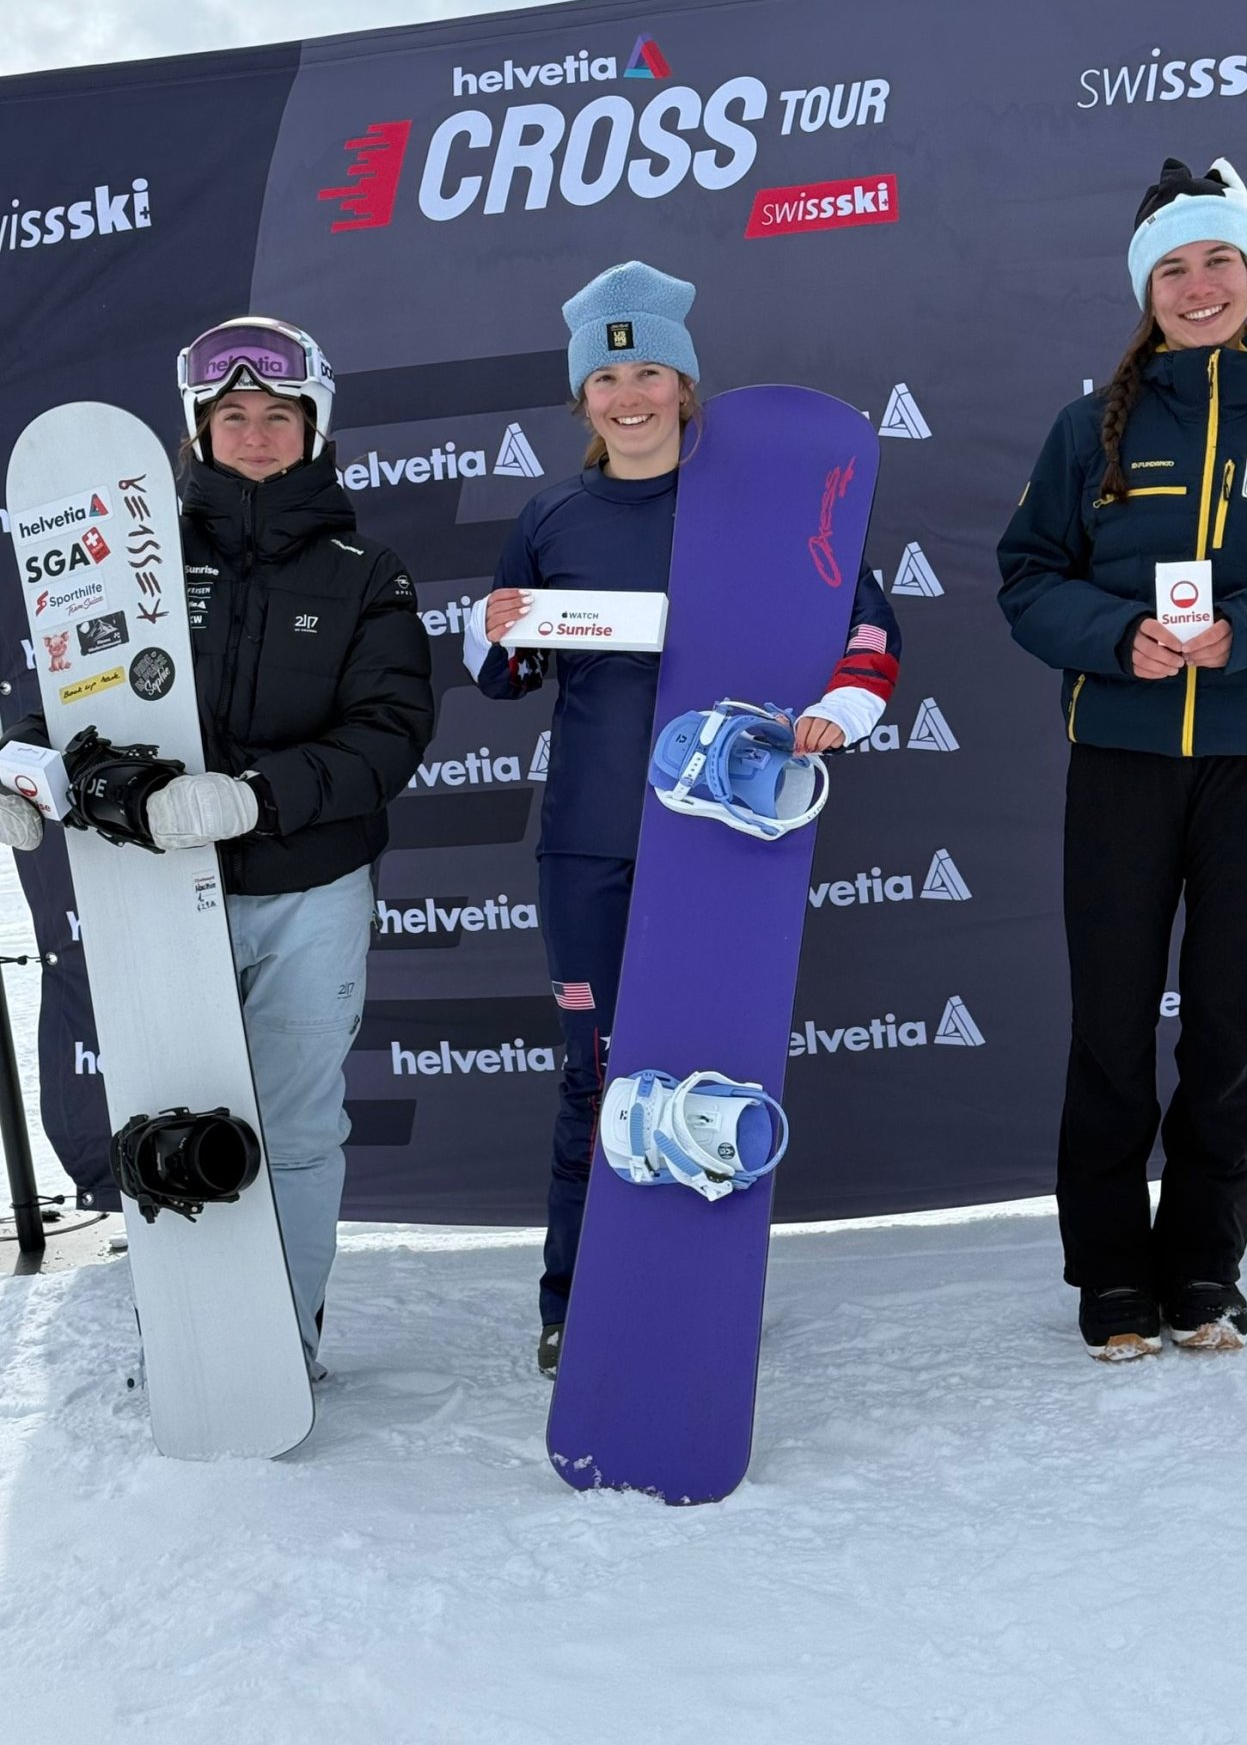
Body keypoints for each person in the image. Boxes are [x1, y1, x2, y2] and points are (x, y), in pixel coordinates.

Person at [464, 261, 902, 1375]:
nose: (629, 393)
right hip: (590, 840)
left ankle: (697, 1288)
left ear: (685, 384)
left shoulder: (748, 500)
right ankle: (575, 1301)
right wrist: (491, 626)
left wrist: (844, 703)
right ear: (581, 397)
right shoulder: (552, 511)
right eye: (607, 374)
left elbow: (862, 616)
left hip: (719, 834)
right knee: (597, 1074)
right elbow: (506, 675)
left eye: (649, 369)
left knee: (710, 1064)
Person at [2, 316, 435, 1377]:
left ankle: (283, 1337)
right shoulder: (122, 557)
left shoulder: (364, 571)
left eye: (275, 416)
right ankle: (193, 1343)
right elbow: (60, 705)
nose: (252, 434)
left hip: (306, 881)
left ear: (313, 429)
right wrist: (31, 772)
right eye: (230, 416)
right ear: (195, 433)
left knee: (291, 1125)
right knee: (168, 1117)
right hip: (153, 889)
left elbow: (390, 732)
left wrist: (251, 797)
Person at [998, 158, 1247, 1361]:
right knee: (1112, 1019)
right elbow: (1028, 577)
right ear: (1147, 289)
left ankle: (1202, 1269)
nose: (1197, 286)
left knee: (1232, 1019)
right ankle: (1110, 1276)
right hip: (1124, 757)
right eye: (1173, 267)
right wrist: (1114, 636)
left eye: (1218, 261)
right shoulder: (1092, 428)